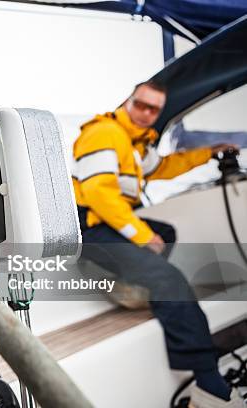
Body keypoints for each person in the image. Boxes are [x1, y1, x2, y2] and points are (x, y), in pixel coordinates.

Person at [71, 81, 242, 407]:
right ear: (127, 101)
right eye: (141, 105)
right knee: (170, 279)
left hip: (109, 222)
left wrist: (208, 152)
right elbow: (98, 193)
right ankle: (208, 383)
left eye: (154, 109)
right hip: (91, 230)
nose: (147, 113)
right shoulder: (104, 133)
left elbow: (164, 167)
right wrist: (141, 235)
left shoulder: (134, 142)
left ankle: (137, 287)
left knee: (167, 232)